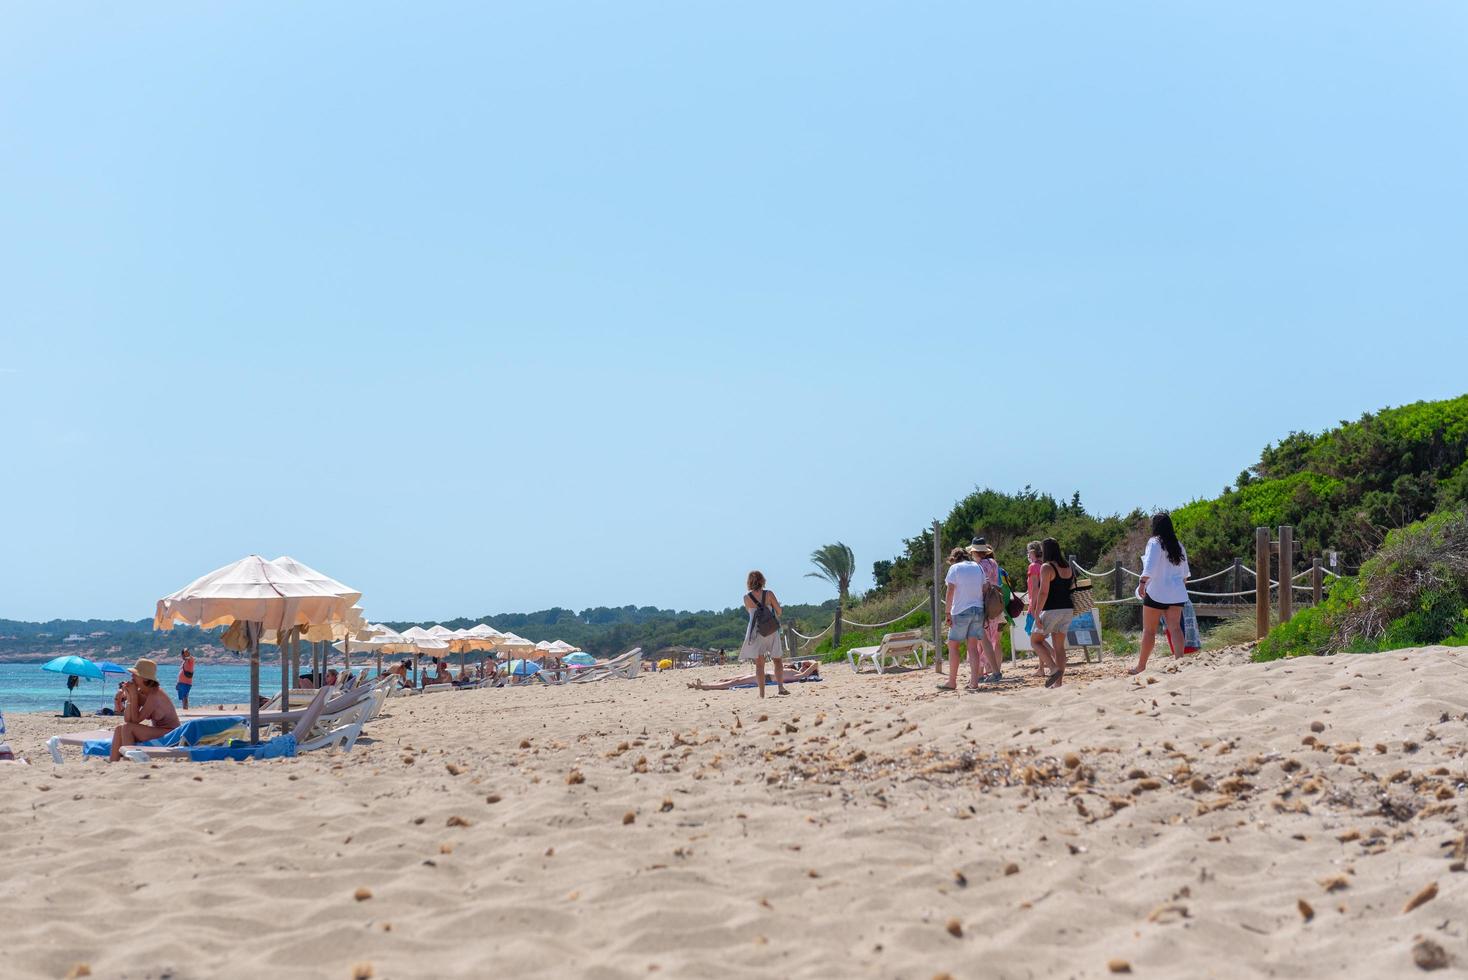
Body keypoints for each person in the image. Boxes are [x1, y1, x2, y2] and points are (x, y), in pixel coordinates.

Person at [1130, 512, 1192, 675]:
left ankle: (1141, 666)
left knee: (1149, 631)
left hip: (1157, 591)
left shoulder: (1154, 542)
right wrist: (1177, 589)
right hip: (1176, 593)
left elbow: (1149, 566)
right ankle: (1179, 661)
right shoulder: (1178, 545)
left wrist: (1142, 583)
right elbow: (1185, 575)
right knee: (1176, 628)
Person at [940, 547, 994, 690]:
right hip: (978, 610)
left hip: (961, 610)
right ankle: (974, 683)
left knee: (953, 645)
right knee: (973, 647)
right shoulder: (978, 567)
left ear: (953, 559)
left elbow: (950, 590)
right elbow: (985, 587)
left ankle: (952, 681)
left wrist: (947, 613)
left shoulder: (955, 568)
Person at [108, 658, 180, 763]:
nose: (131, 676)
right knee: (120, 728)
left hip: (171, 733)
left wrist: (133, 695)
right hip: (159, 731)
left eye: (135, 674)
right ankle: (113, 762)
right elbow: (128, 719)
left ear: (145, 679)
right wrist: (130, 696)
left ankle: (129, 762)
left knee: (128, 729)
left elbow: (135, 720)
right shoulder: (141, 691)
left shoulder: (155, 695)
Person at [1029, 538, 1075, 688]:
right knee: (1059, 647)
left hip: (1052, 609)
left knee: (1035, 641)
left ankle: (1053, 668)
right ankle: (1058, 684)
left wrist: (1036, 613)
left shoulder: (1046, 567)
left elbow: (1043, 593)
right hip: (1067, 609)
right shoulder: (1068, 567)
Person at [739, 571, 787, 698]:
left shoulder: (746, 597)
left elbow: (750, 613)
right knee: (777, 660)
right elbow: (779, 611)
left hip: (756, 631)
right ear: (762, 580)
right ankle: (781, 688)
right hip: (771, 629)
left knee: (759, 664)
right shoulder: (769, 594)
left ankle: (762, 694)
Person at [968, 539, 1005, 681]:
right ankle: (989, 671)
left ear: (975, 551)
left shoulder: (979, 566)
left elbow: (984, 585)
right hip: (995, 603)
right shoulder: (993, 563)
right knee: (993, 639)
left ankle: (980, 673)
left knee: (981, 640)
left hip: (984, 603)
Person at [1023, 541, 1052, 678]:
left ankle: (1054, 656)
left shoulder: (1033, 566)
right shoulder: (1044, 565)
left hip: (1035, 605)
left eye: (1029, 551)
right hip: (1045, 604)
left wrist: (1033, 607)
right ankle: (1041, 668)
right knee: (1040, 637)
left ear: (1033, 552)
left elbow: (1034, 589)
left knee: (1035, 639)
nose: (1028, 554)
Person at [688, 661, 820, 691]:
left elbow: (816, 664)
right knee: (733, 679)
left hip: (766, 678)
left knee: (735, 682)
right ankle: (704, 683)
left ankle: (705, 686)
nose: (803, 666)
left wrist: (809, 664)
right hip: (764, 674)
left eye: (806, 667)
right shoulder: (794, 670)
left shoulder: (799, 675)